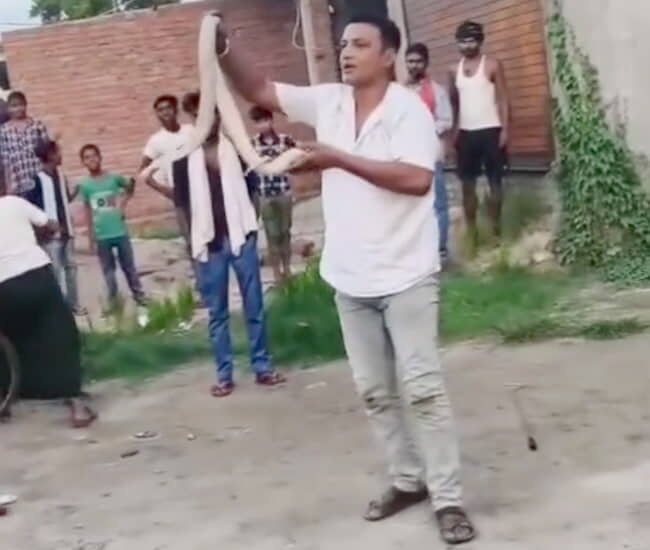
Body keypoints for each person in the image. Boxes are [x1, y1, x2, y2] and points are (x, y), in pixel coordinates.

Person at [216, 11, 475, 545]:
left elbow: (417, 179)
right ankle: (408, 480)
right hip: (350, 279)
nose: (346, 52)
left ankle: (448, 498)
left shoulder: (407, 111)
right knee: (375, 391)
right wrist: (221, 44)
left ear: (388, 55)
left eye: (359, 44)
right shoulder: (328, 101)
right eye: (343, 44)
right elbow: (259, 88)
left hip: (406, 274)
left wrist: (338, 159)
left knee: (424, 390)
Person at [145, 102, 285, 398]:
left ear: (219, 116)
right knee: (217, 313)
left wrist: (250, 227)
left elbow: (253, 188)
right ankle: (224, 375)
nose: (207, 120)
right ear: (194, 119)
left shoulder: (236, 150)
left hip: (241, 237)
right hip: (209, 244)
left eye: (211, 114)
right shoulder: (183, 157)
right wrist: (191, 244)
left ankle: (262, 366)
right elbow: (182, 204)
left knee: (254, 306)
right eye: (200, 116)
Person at [0, 175, 97, 428]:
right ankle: (75, 403)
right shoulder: (14, 203)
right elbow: (50, 224)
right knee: (61, 334)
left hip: (3, 288)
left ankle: (5, 399)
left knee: (7, 337)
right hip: (36, 276)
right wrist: (41, 232)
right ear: (3, 181)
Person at [449, 20, 510, 241]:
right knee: (467, 185)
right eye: (462, 41)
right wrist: (454, 132)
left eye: (471, 40)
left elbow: (503, 99)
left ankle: (495, 230)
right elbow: (454, 103)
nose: (467, 45)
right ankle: (472, 231)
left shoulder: (492, 65)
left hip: (491, 131)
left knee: (495, 183)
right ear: (457, 43)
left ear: (480, 41)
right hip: (466, 134)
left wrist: (505, 130)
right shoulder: (453, 70)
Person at [78, 144, 146, 309]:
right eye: (87, 157)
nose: (91, 160)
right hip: (101, 234)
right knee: (108, 271)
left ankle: (139, 296)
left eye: (94, 155)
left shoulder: (113, 178)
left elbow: (129, 187)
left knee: (129, 267)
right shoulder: (85, 185)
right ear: (83, 162)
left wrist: (123, 204)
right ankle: (114, 302)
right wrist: (90, 237)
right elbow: (87, 210)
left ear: (100, 157)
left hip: (119, 230)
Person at [25, 139, 85, 315]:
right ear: (50, 155)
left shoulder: (61, 176)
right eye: (58, 152)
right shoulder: (37, 180)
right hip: (51, 236)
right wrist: (41, 232)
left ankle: (74, 304)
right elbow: (32, 209)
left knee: (71, 269)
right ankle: (59, 309)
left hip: (67, 231)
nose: (60, 155)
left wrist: (74, 193)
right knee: (56, 272)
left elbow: (64, 200)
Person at [405, 43, 453, 261]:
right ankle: (419, 250)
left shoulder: (436, 91)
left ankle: (440, 249)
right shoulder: (399, 91)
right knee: (412, 206)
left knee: (438, 203)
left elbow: (446, 120)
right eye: (410, 61)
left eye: (418, 61)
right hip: (406, 156)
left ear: (426, 63)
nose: (414, 65)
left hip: (431, 153)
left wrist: (423, 127)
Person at [249, 106, 295, 284]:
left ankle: (287, 268)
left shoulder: (285, 140)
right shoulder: (252, 144)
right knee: (271, 233)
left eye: (264, 120)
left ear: (271, 120)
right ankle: (276, 273)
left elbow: (298, 159)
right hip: (264, 193)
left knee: (285, 231)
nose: (262, 125)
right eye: (258, 122)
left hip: (283, 191)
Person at [0, 91, 49, 197]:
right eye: (14, 106)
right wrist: (9, 187)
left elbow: (48, 154)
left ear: (26, 105)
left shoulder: (37, 126)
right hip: (19, 183)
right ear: (8, 108)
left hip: (39, 179)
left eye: (21, 105)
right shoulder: (4, 131)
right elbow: (6, 161)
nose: (18, 109)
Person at [140, 95, 194, 174]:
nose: (165, 112)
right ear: (157, 115)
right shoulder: (156, 140)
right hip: (177, 180)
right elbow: (143, 170)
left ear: (176, 110)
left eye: (169, 108)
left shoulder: (192, 130)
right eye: (160, 110)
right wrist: (156, 181)